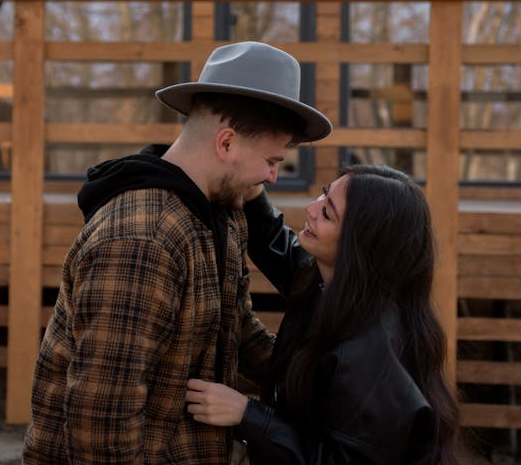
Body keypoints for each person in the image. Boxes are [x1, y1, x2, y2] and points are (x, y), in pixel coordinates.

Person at [22, 41, 332, 464]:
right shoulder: (142, 240)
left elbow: (235, 329)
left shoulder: (220, 214)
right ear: (226, 143)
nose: (273, 177)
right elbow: (102, 426)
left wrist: (326, 378)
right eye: (272, 161)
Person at [185, 164, 461, 464]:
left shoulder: (372, 352)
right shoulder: (334, 288)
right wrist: (252, 191)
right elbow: (280, 249)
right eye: (322, 194)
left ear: (361, 244)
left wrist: (248, 416)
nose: (311, 207)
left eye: (328, 212)